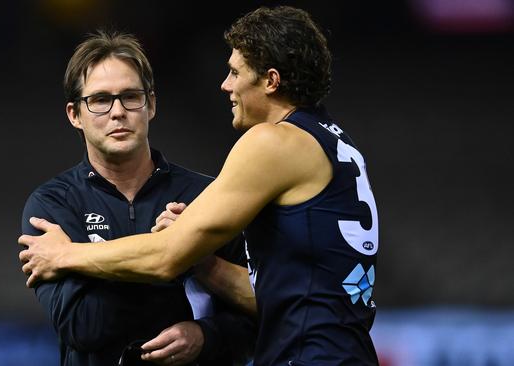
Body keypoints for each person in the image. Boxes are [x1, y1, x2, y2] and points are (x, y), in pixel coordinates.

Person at [20, 6, 379, 365]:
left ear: (270, 81)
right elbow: (280, 294)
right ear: (74, 114)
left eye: (235, 72)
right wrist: (205, 265)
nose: (225, 84)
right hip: (343, 348)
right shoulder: (334, 142)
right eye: (100, 100)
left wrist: (66, 255)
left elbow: (167, 256)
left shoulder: (272, 142)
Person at [19, 30, 255, 366]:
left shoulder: (208, 195)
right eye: (100, 100)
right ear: (75, 115)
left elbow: (255, 321)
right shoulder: (52, 206)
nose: (118, 112)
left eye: (131, 96)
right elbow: (82, 327)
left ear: (151, 104)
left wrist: (206, 337)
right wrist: (173, 253)